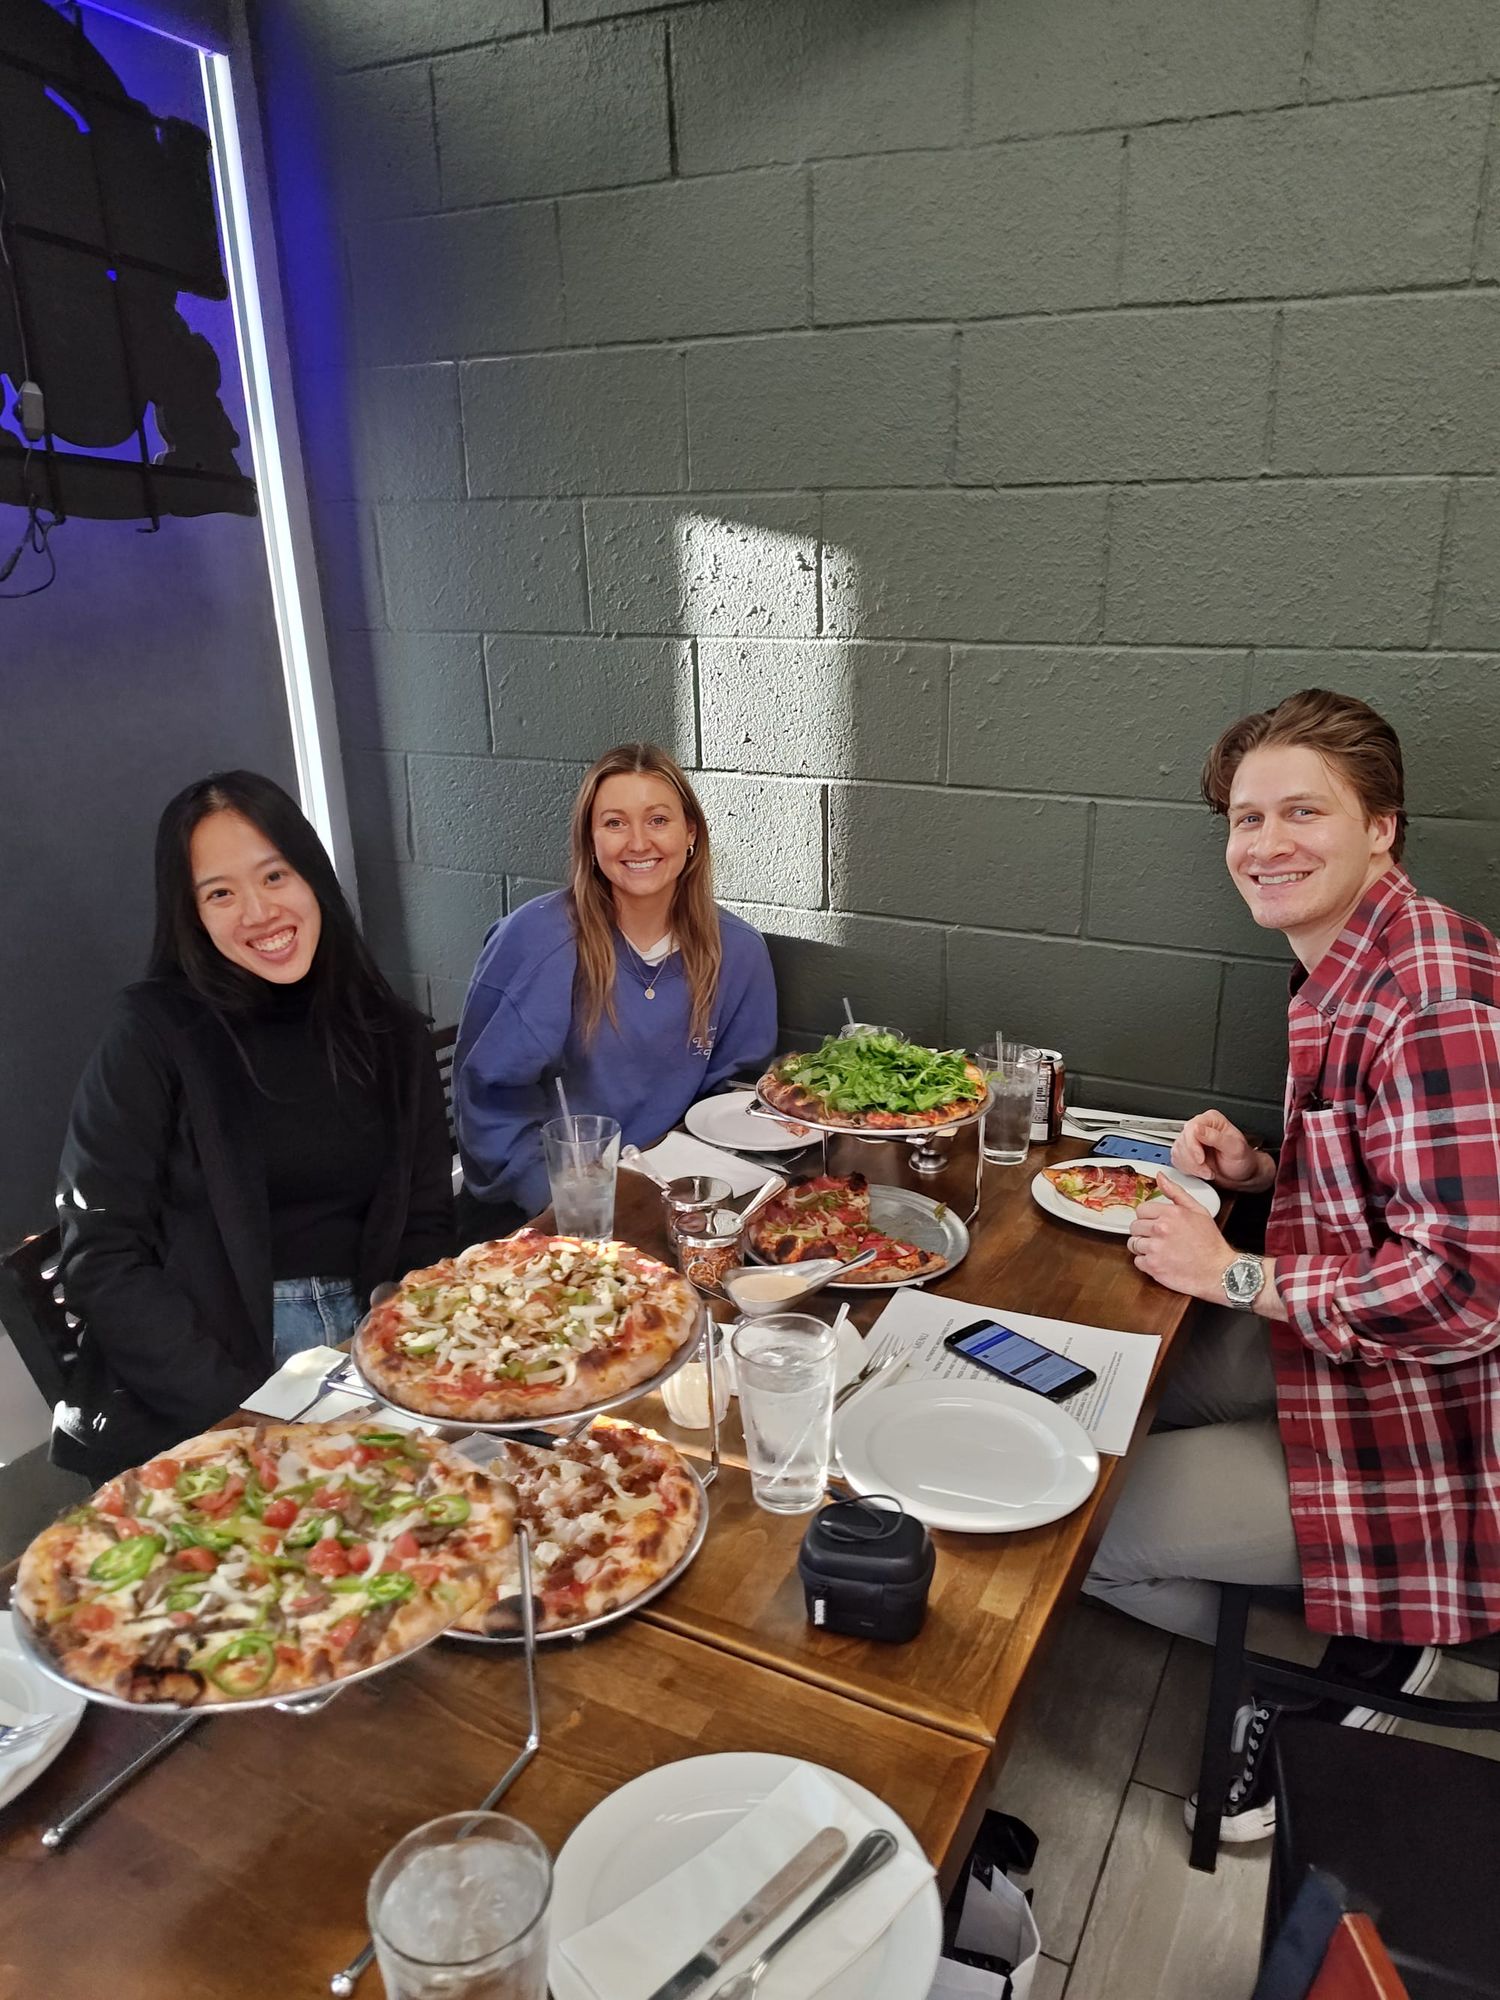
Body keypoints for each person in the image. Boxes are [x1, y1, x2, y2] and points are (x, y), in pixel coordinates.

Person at [1084, 688, 1500, 1839]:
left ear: (1384, 826)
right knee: (1111, 1398)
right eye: (1245, 818)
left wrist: (1230, 1270)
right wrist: (1267, 1175)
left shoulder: (1435, 1001)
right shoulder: (1355, 957)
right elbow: (1393, 1195)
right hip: (1337, 1359)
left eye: (1302, 812)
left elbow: (1465, 1291)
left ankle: (1349, 1660)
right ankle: (1351, 1628)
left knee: (1072, 1526)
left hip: (1429, 1430)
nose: (1265, 845)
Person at [54, 771, 454, 1480]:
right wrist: (245, 1411)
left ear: (312, 877)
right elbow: (102, 1259)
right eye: (220, 893)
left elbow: (424, 1219)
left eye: (275, 875)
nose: (260, 911)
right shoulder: (151, 1032)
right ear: (193, 915)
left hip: (367, 1345)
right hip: (204, 1367)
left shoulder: (390, 1032)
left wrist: (402, 1345)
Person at [455, 743, 778, 1223]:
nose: (638, 843)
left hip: (674, 1199)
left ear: (690, 833)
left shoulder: (739, 950)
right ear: (590, 840)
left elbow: (733, 1098)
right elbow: (486, 1099)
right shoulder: (534, 940)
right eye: (614, 823)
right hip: (551, 1209)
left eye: (658, 820)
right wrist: (558, 1197)